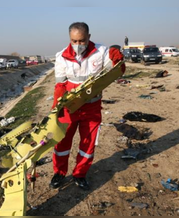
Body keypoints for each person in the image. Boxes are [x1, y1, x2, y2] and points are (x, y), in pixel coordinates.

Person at [50, 22, 125, 190]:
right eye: (74, 41)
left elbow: (116, 69)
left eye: (81, 41)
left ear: (89, 37)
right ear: (69, 39)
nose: (78, 45)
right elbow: (60, 85)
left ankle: (80, 174)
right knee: (61, 142)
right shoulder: (61, 56)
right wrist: (57, 105)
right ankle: (60, 173)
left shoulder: (101, 52)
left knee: (88, 144)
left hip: (91, 108)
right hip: (70, 108)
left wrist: (117, 59)